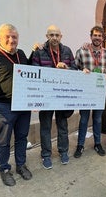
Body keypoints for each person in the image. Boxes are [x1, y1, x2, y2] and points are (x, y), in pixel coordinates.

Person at [0, 23, 32, 186]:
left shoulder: (21, 54)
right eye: (7, 36)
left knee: (22, 137)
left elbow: (30, 75)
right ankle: (4, 169)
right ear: (0, 38)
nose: (11, 39)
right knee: (4, 141)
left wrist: (35, 98)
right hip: (4, 107)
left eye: (14, 36)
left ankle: (21, 165)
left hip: (23, 106)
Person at [30, 25, 76, 169]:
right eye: (51, 35)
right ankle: (46, 155)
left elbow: (75, 69)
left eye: (57, 35)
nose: (54, 38)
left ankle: (63, 152)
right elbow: (34, 72)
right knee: (45, 127)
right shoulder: (39, 52)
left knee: (63, 125)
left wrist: (67, 68)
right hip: (46, 97)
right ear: (47, 36)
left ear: (61, 36)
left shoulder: (67, 51)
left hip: (62, 96)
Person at [74, 26, 106, 158]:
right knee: (83, 119)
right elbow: (74, 68)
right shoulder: (82, 51)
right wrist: (80, 72)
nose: (97, 38)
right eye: (95, 35)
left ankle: (97, 143)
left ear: (103, 38)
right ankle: (80, 145)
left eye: (100, 36)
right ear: (91, 36)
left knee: (98, 119)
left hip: (99, 93)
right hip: (85, 92)